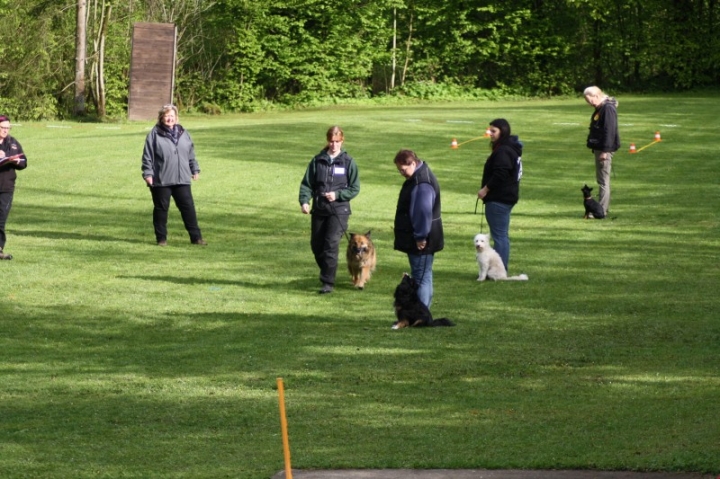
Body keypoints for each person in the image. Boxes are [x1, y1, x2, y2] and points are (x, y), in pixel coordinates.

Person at [299, 126, 360, 294]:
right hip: (319, 209)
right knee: (316, 246)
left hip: (339, 210)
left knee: (330, 245)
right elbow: (307, 183)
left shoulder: (348, 162)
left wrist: (338, 194)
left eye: (337, 142)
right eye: (331, 142)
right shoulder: (317, 160)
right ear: (327, 141)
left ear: (342, 141)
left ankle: (327, 282)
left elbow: (355, 188)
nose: (334, 145)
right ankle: (327, 270)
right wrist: (304, 201)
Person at [141, 104, 206, 246]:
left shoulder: (184, 133)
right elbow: (147, 156)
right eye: (166, 116)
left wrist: (194, 169)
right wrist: (148, 174)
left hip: (182, 178)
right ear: (161, 118)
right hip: (161, 179)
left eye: (172, 116)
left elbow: (190, 153)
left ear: (176, 117)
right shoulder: (154, 134)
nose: (169, 118)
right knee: (161, 210)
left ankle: (196, 238)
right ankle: (161, 239)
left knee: (188, 208)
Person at [393, 149, 444, 308]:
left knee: (421, 277)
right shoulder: (419, 176)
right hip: (423, 236)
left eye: (403, 169)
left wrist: (421, 237)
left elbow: (422, 212)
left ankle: (421, 313)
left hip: (422, 239)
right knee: (423, 275)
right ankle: (421, 312)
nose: (401, 173)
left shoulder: (421, 183)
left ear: (413, 163)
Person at [477, 118, 522, 272]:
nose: (490, 133)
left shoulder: (503, 150)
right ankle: (500, 268)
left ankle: (499, 270)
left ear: (502, 132)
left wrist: (485, 189)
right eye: (490, 130)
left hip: (499, 198)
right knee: (501, 235)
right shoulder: (508, 148)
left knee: (499, 237)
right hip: (507, 196)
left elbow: (501, 173)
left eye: (493, 131)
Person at [584, 86, 620, 216]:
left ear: (597, 96)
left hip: (604, 149)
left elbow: (609, 131)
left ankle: (601, 211)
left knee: (603, 181)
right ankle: (601, 208)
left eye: (590, 100)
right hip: (600, 148)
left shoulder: (607, 109)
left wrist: (605, 151)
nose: (589, 103)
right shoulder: (601, 107)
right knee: (601, 180)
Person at [0, 115, 27, 260]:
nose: (5, 130)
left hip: (6, 186)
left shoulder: (13, 142)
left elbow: (24, 162)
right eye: (3, 128)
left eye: (7, 128)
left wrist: (14, 160)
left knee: (1, 218)